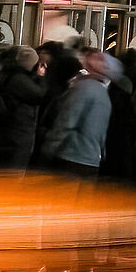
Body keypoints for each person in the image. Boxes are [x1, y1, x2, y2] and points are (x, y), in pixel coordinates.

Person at [41, 51, 115, 180]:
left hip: (72, 155)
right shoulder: (104, 92)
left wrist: (49, 148)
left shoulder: (82, 88)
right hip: (92, 158)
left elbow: (67, 121)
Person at [0, 45, 47, 169]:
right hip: (14, 140)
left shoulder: (0, 74)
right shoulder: (19, 79)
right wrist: (40, 77)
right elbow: (41, 96)